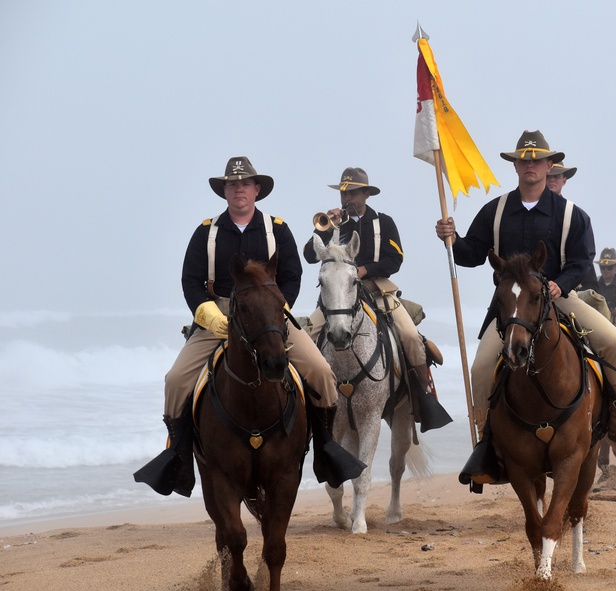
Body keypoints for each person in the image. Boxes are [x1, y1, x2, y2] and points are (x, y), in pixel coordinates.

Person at [435, 130, 616, 487]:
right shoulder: (495, 211)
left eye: (537, 160)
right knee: (481, 369)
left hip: (559, 298)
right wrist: (452, 238)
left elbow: (581, 259)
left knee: (615, 344)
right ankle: (487, 444)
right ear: (516, 166)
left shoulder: (571, 214)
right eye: (524, 160)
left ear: (548, 166)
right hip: (512, 309)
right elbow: (469, 256)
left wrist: (562, 283)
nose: (530, 166)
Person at [134, 156, 363, 497]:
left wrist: (274, 309)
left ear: (257, 190)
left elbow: (292, 276)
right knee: (176, 380)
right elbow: (190, 282)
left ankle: (325, 450)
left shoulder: (277, 229)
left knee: (321, 372)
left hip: (270, 318)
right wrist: (207, 314)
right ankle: (178, 457)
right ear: (225, 191)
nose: (238, 190)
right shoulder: (206, 232)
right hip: (219, 319)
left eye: (245, 184)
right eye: (232, 184)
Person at [303, 167, 451, 432]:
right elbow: (309, 255)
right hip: (339, 294)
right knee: (307, 334)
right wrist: (327, 229)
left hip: (377, 288)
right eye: (343, 192)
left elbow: (396, 259)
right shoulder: (333, 224)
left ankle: (423, 397)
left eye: (353, 192)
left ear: (366, 194)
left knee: (410, 337)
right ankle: (303, 401)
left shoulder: (384, 222)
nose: (346, 198)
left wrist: (364, 270)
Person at [546, 161, 607, 315]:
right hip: (533, 290)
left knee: (614, 339)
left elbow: (586, 257)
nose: (552, 180)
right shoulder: (527, 212)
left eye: (557, 176)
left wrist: (563, 283)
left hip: (574, 289)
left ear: (564, 180)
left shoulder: (578, 216)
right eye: (548, 176)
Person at [595, 248, 616, 332]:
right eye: (603, 267)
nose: (606, 270)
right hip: (596, 324)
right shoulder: (594, 283)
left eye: (609, 267)